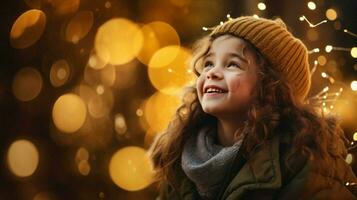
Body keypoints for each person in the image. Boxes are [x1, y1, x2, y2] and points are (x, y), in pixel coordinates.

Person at [148, 16, 357, 200]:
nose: (212, 73)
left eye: (232, 64)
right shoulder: (179, 157)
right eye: (209, 64)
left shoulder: (305, 161)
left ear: (272, 86)